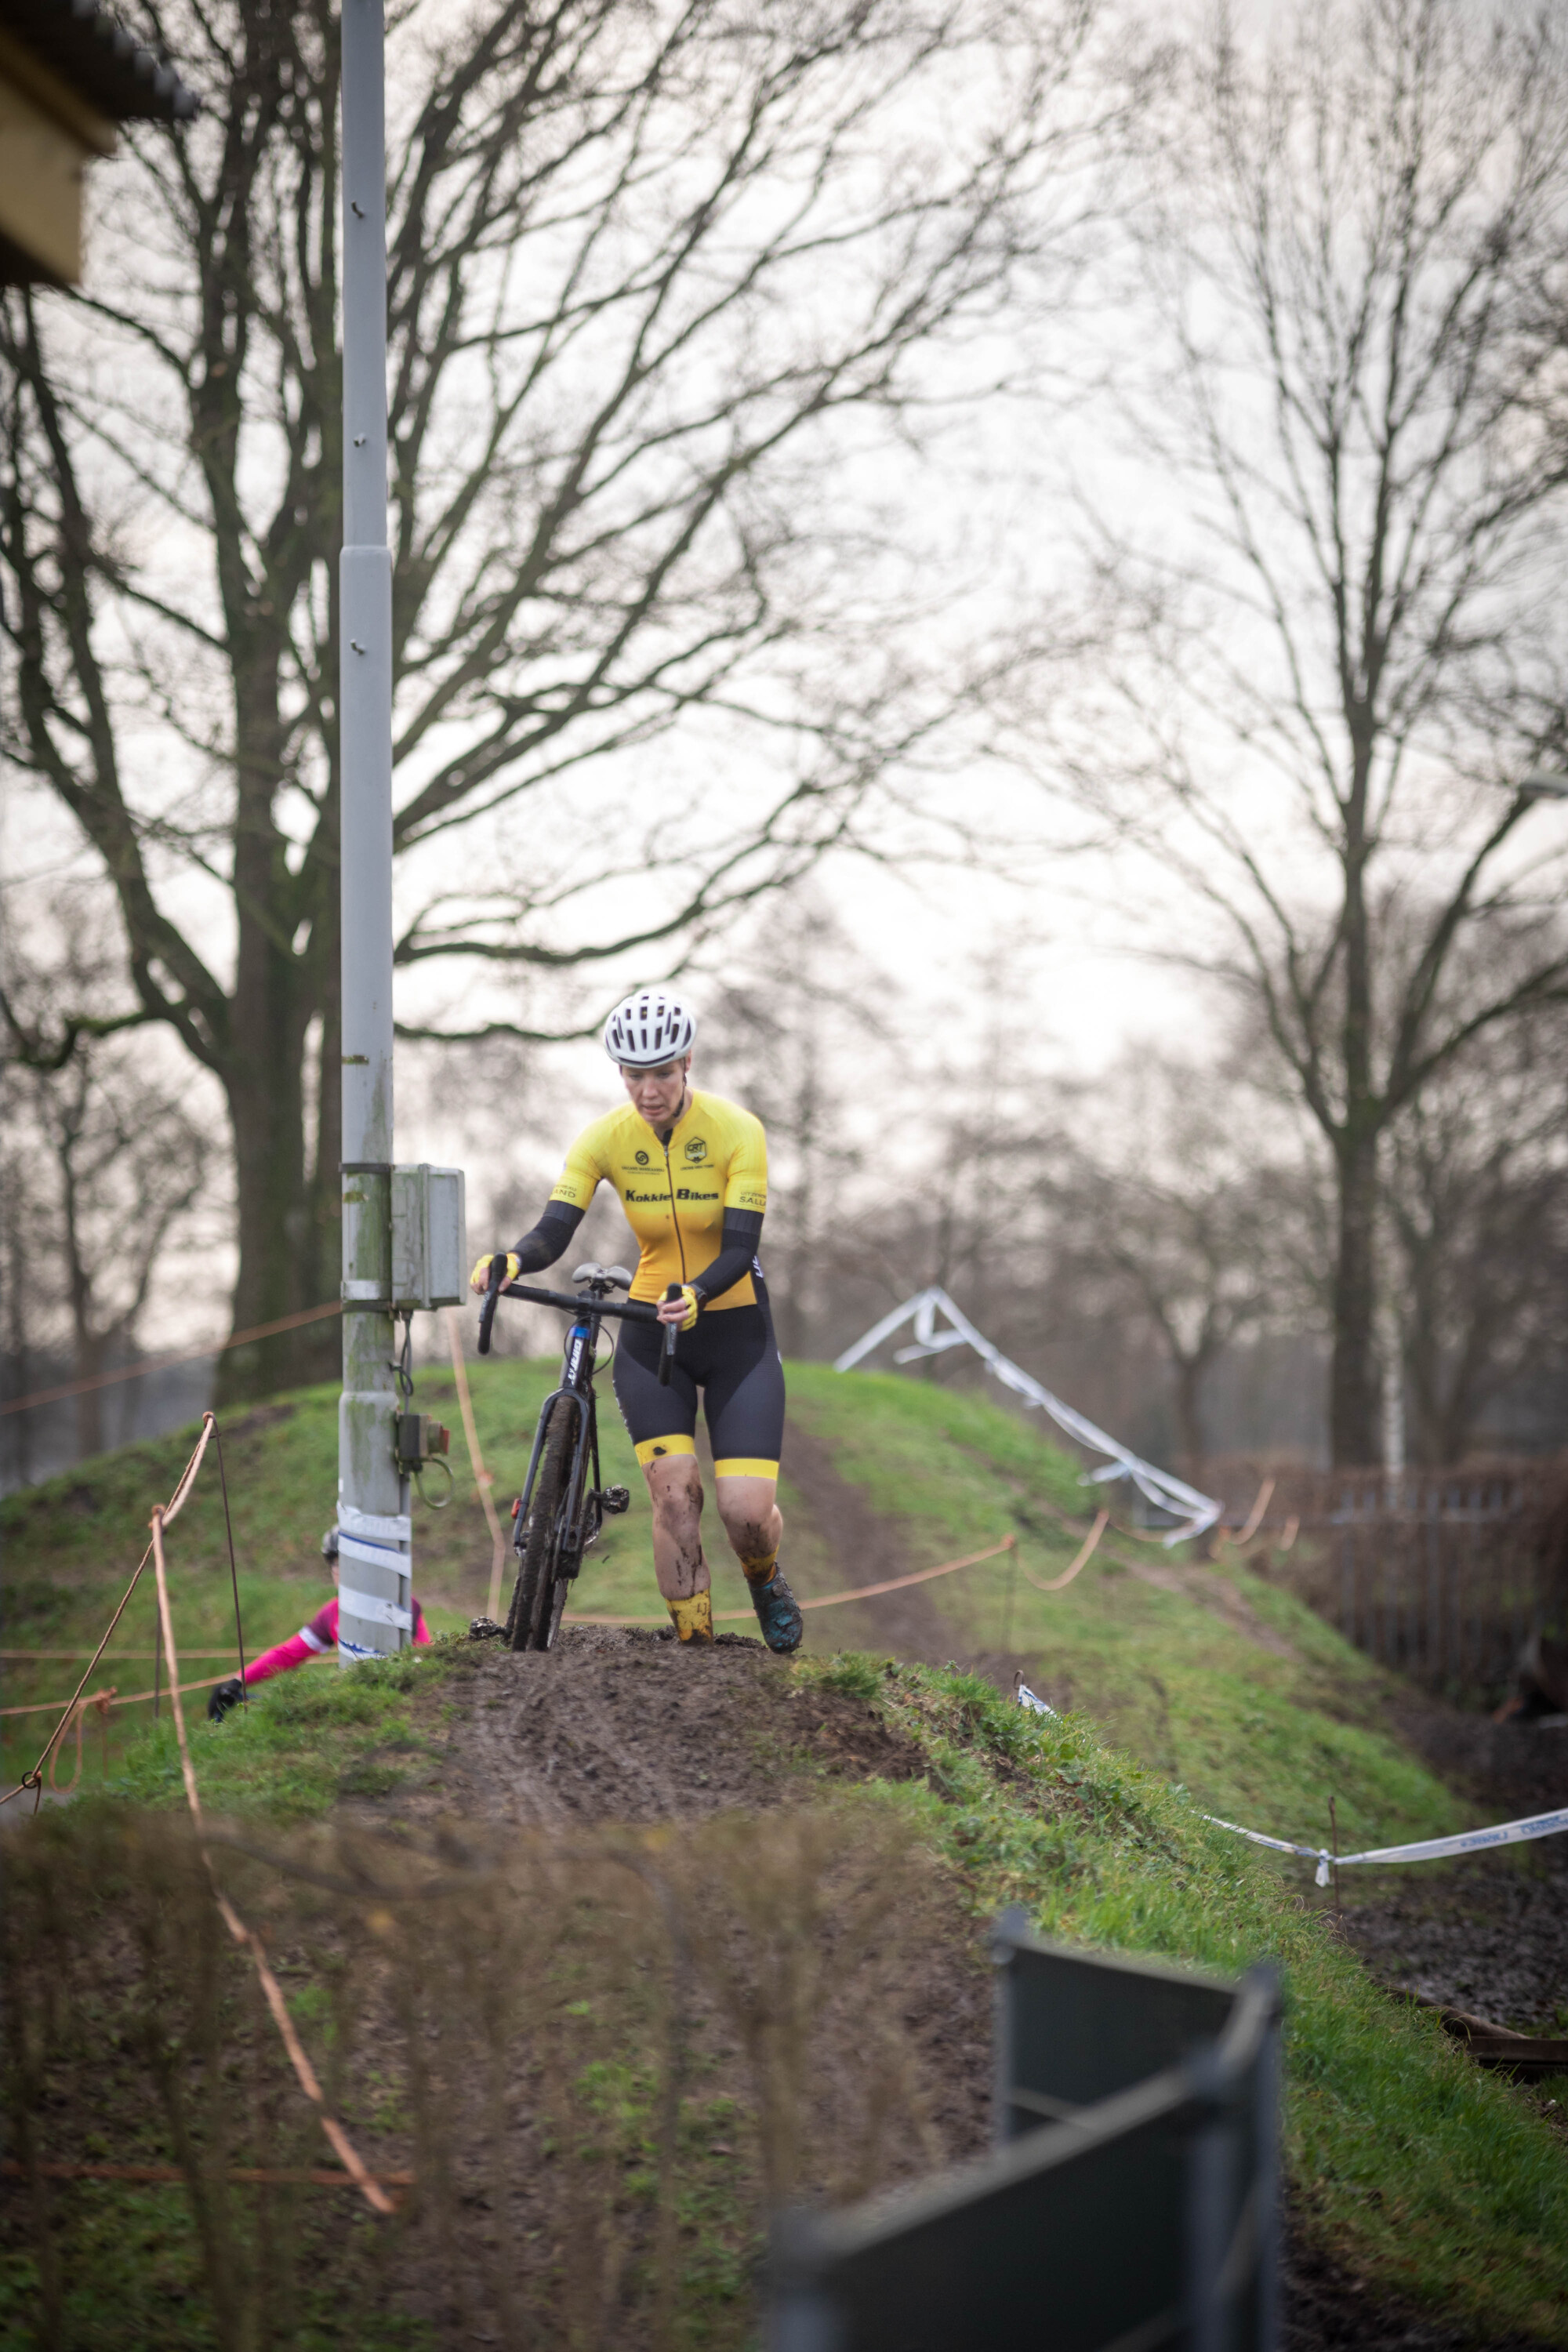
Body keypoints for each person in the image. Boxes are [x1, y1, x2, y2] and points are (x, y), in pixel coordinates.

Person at [470, 987, 803, 1654]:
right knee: (675, 1500)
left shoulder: (738, 1130)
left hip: (734, 1328)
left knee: (744, 1514)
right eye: (634, 1075)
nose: (648, 1090)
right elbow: (555, 1228)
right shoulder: (604, 1139)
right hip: (653, 1330)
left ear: (687, 1066)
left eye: (662, 1074)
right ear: (620, 1074)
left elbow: (740, 1248)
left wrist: (702, 1293)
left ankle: (764, 1579)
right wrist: (512, 1259)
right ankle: (696, 1649)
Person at [207, 1528, 430, 1719]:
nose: (344, 1572)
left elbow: (420, 1660)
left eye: (353, 1564)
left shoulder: (401, 1603)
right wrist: (237, 1681)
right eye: (337, 1564)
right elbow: (287, 1654)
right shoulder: (332, 1613)